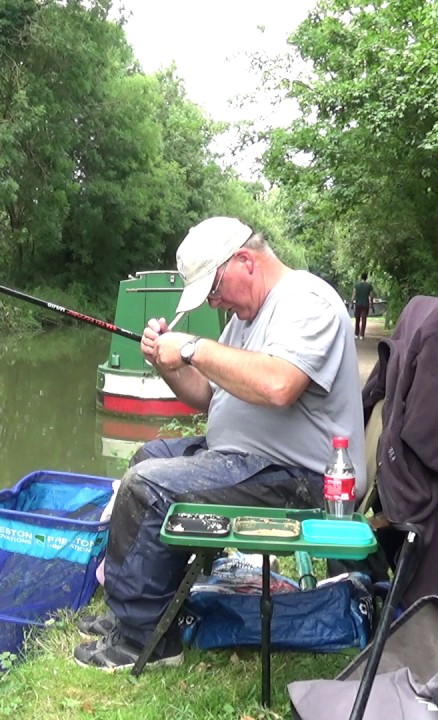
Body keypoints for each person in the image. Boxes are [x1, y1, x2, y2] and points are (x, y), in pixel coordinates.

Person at [74, 216, 366, 671]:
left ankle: (143, 642)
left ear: (245, 261)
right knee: (148, 456)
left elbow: (277, 385)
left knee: (148, 486)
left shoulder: (307, 301)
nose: (216, 302)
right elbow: (208, 397)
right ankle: (131, 610)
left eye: (214, 289)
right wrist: (167, 364)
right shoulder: (247, 315)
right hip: (246, 460)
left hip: (301, 478)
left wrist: (192, 347)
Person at [352, 273, 374, 339]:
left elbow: (353, 295)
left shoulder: (357, 285)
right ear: (366, 278)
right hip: (365, 304)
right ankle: (362, 335)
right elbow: (371, 296)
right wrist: (372, 305)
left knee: (357, 319)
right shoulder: (369, 286)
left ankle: (356, 334)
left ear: (361, 277)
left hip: (358, 304)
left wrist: (352, 302)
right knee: (364, 320)